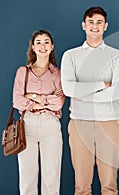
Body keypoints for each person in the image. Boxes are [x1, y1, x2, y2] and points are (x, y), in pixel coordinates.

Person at [61, 6, 119, 195]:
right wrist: (102, 84)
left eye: (99, 22)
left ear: (105, 26)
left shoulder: (117, 56)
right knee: (81, 186)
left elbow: (116, 93)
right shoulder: (71, 55)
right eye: (91, 22)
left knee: (109, 185)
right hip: (80, 124)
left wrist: (83, 94)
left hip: (109, 123)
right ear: (83, 26)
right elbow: (68, 89)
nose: (95, 26)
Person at [13, 29, 65, 194]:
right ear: (33, 48)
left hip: (50, 126)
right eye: (38, 42)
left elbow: (59, 103)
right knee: (27, 178)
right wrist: (46, 100)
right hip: (27, 125)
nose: (43, 46)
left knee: (52, 177)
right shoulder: (23, 72)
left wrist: (34, 97)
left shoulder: (57, 73)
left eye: (46, 42)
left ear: (51, 47)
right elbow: (17, 101)